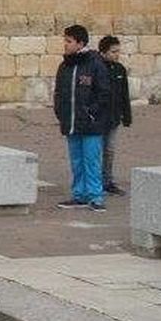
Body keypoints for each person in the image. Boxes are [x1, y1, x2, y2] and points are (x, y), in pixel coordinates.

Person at [53, 24, 114, 211]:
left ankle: (96, 196)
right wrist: (61, 112)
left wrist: (92, 112)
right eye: (65, 40)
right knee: (77, 161)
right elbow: (59, 93)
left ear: (80, 43)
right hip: (71, 122)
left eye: (69, 41)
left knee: (91, 160)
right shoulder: (64, 66)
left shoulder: (95, 64)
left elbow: (104, 93)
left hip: (91, 124)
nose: (65, 44)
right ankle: (79, 194)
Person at [98, 35, 132, 196]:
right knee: (96, 150)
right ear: (103, 52)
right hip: (98, 118)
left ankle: (108, 181)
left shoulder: (120, 69)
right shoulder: (96, 68)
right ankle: (95, 181)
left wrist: (126, 115)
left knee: (109, 150)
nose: (116, 55)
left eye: (118, 51)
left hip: (113, 118)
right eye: (113, 52)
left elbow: (124, 94)